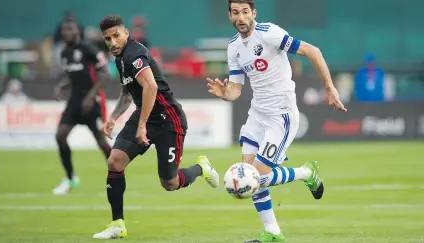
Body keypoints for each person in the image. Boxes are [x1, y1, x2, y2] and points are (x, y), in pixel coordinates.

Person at [206, 0, 347, 242]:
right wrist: (225, 94)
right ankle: (273, 232)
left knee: (254, 178)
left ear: (254, 13)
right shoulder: (233, 48)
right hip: (256, 114)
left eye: (245, 12)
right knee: (249, 176)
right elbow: (236, 90)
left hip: (280, 116)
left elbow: (313, 51)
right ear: (229, 16)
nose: (241, 17)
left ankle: (306, 173)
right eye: (236, 12)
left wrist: (330, 88)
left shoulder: (269, 33)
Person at [93, 15, 219, 239]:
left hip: (169, 120)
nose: (112, 42)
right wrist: (114, 117)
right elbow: (127, 92)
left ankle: (201, 167)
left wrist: (141, 126)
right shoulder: (120, 59)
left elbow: (150, 87)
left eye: (116, 36)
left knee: (169, 183)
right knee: (115, 162)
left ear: (126, 34)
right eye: (107, 38)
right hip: (145, 115)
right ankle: (117, 224)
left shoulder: (134, 54)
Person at [53, 20, 111, 195]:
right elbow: (73, 75)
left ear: (77, 31)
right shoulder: (64, 53)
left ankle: (117, 174)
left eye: (69, 29)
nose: (66, 32)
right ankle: (70, 178)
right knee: (60, 135)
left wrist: (91, 96)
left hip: (91, 101)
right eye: (64, 29)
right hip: (74, 101)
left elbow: (105, 73)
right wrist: (62, 86)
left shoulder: (89, 49)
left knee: (100, 141)